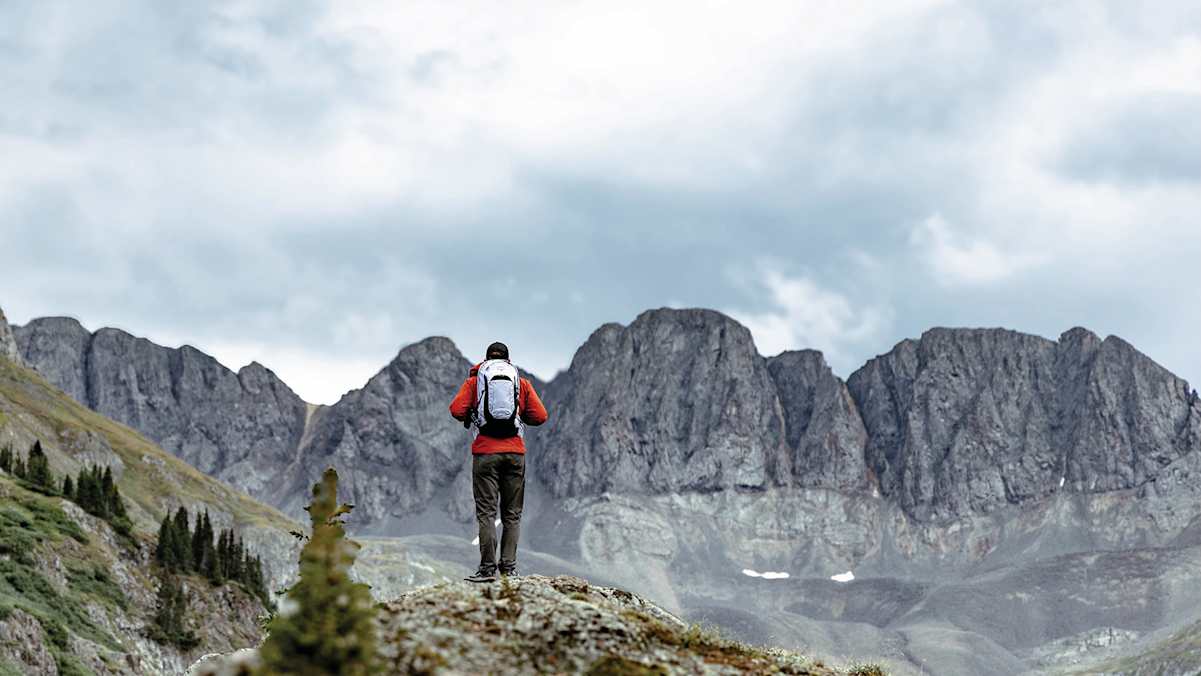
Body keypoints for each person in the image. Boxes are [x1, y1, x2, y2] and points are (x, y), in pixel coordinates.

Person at [449, 341, 548, 582]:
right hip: (515, 455)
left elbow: (456, 409)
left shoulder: (475, 382)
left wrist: (475, 415)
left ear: (486, 360)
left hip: (485, 454)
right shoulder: (520, 383)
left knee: (486, 513)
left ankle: (486, 569)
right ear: (507, 361)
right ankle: (509, 569)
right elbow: (541, 416)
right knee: (512, 514)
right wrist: (517, 415)